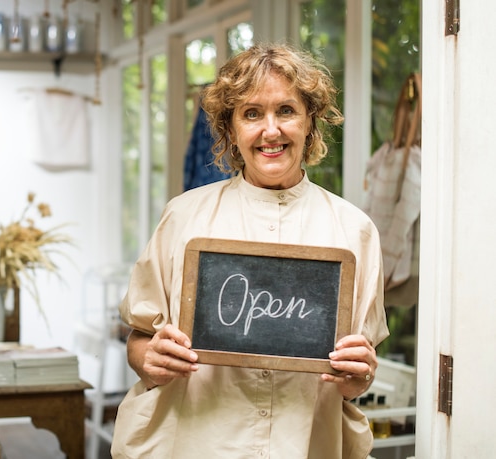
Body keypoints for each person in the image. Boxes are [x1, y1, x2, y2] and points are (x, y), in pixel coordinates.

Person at [111, 42, 389, 459]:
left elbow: (358, 372)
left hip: (306, 444)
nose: (270, 131)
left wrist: (357, 378)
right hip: (196, 442)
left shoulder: (355, 231)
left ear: (310, 121)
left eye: (287, 111)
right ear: (231, 129)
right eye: (252, 113)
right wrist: (148, 357)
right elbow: (140, 337)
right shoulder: (184, 217)